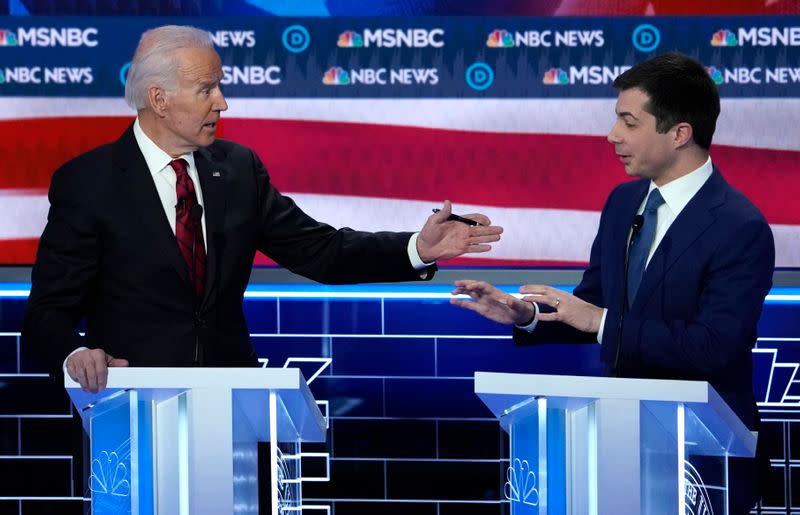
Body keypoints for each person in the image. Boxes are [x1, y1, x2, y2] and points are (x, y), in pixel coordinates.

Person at [22, 25, 503, 394]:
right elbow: (47, 310)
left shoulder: (236, 170)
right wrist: (73, 354)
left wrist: (416, 249)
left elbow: (322, 251)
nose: (223, 103)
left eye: (220, 87)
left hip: (231, 401)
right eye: (207, 89)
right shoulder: (88, 182)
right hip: (126, 402)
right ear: (159, 99)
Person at [452, 53, 774, 512]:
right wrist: (526, 315)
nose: (612, 136)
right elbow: (593, 307)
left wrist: (600, 320)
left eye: (629, 121)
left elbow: (715, 345)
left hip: (706, 462)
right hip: (620, 448)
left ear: (680, 133)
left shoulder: (740, 226)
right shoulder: (624, 203)